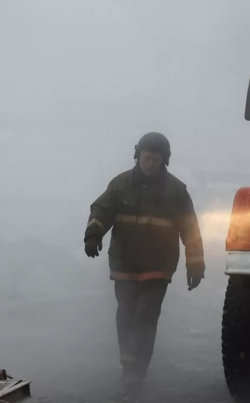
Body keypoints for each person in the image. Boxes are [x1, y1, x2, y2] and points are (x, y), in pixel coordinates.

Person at [83, 132, 205, 399]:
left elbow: (190, 229)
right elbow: (101, 210)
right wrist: (93, 234)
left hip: (157, 268)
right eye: (146, 158)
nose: (150, 164)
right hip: (124, 265)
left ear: (165, 162)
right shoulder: (120, 185)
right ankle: (129, 368)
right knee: (126, 314)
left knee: (146, 316)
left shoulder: (176, 191)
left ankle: (138, 371)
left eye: (156, 160)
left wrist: (195, 264)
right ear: (137, 156)